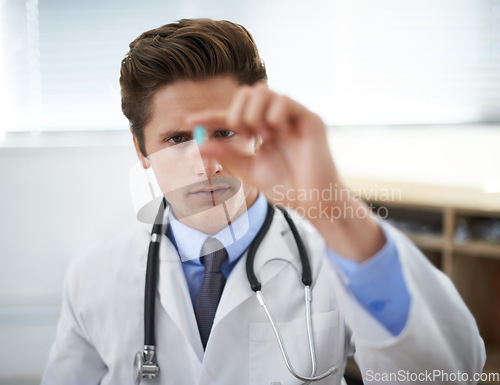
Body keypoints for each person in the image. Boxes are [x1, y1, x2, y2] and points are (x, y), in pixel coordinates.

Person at [42, 18, 485, 385]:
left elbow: (447, 374)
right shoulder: (94, 276)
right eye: (177, 139)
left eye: (223, 133)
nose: (206, 165)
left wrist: (336, 214)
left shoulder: (337, 259)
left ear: (257, 133)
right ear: (141, 150)